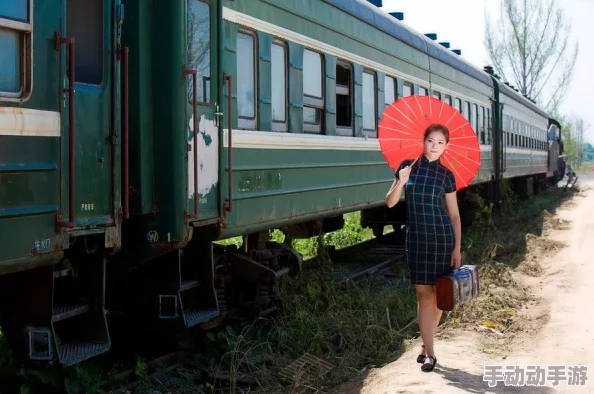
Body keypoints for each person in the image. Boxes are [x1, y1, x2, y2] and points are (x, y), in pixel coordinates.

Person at [385, 123, 462, 373]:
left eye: (440, 143)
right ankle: (430, 352)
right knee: (423, 295)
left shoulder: (446, 175)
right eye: (431, 141)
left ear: (446, 147)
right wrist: (400, 181)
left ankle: (426, 346)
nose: (434, 146)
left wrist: (457, 247)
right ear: (424, 141)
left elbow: (454, 215)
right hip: (417, 240)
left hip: (441, 239)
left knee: (438, 296)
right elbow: (390, 202)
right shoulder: (408, 167)